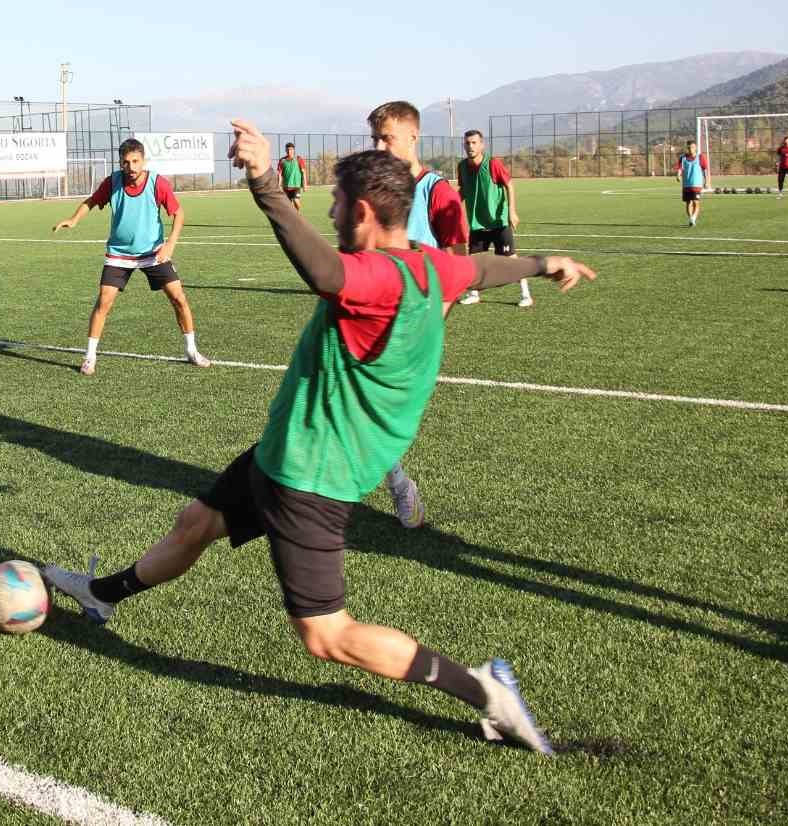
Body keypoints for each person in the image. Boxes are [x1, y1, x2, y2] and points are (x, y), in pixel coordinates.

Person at [43, 123, 597, 756]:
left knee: (327, 635)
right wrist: (544, 262)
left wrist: (264, 183)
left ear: (362, 213)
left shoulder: (376, 279)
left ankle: (485, 691)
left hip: (310, 477)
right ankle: (102, 595)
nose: (329, 212)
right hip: (284, 454)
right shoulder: (430, 267)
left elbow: (322, 268)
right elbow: (481, 267)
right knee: (195, 523)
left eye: (335, 204)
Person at [364, 101, 469, 528]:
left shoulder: (437, 191)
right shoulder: (377, 190)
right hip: (370, 315)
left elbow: (459, 262)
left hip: (413, 325)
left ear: (412, 137)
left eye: (386, 137)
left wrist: (433, 318)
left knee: (377, 412)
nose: (378, 145)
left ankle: (399, 486)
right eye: (374, 138)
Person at [52, 137, 211, 376]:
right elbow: (92, 201)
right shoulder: (112, 182)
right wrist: (74, 219)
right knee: (104, 301)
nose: (132, 167)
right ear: (121, 163)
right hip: (119, 254)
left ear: (143, 160)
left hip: (153, 252)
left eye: (136, 161)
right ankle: (89, 357)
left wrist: (169, 245)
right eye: (126, 162)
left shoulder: (158, 183)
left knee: (179, 299)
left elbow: (178, 214)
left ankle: (192, 350)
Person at [455, 129, 530, 309]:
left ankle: (526, 294)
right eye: (467, 143)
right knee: (473, 260)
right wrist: (450, 207)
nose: (470, 146)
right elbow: (463, 191)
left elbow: (509, 185)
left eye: (474, 143)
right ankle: (474, 293)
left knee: (510, 259)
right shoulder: (462, 167)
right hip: (477, 223)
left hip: (498, 222)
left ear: (482, 145)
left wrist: (512, 211)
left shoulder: (493, 163)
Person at [675, 140, 709, 226]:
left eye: (692, 147)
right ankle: (691, 219)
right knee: (688, 203)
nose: (691, 149)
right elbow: (679, 168)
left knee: (695, 202)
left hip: (696, 184)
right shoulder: (683, 158)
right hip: (686, 185)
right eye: (689, 147)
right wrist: (678, 175)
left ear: (696, 148)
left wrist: (706, 181)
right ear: (687, 148)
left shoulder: (700, 157)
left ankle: (693, 218)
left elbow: (705, 169)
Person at [279, 143, 306, 210]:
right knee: (288, 205)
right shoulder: (282, 160)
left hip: (296, 186)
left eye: (291, 149)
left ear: (293, 150)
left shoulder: (298, 159)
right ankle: (292, 217)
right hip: (286, 187)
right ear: (285, 150)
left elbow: (303, 172)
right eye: (287, 149)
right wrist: (278, 185)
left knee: (296, 201)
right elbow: (279, 174)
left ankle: (297, 213)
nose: (289, 151)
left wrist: (305, 184)